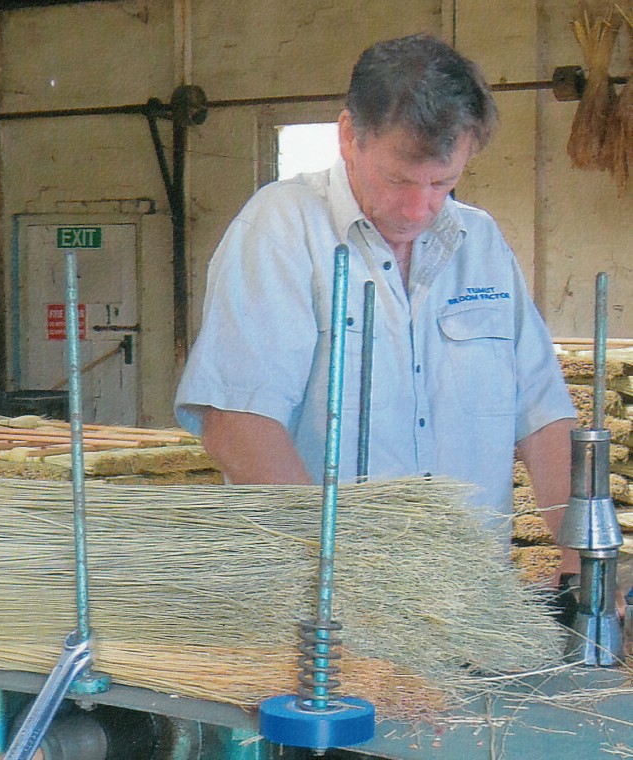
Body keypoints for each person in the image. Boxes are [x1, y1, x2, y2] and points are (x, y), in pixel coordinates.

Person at [174, 33, 580, 581]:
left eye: (443, 183)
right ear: (348, 137)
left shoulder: (481, 244)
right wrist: (334, 572)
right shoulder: (282, 229)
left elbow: (543, 414)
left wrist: (582, 556)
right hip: (323, 611)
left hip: (469, 603)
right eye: (397, 180)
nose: (418, 209)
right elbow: (238, 424)